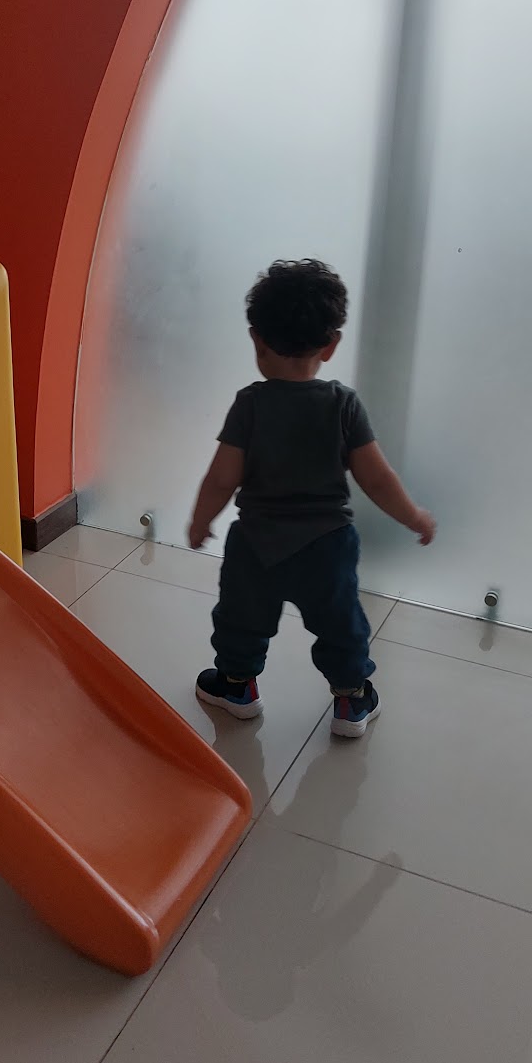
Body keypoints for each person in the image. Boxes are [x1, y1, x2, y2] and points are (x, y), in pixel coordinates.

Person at [189, 259, 435, 738]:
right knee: (340, 622)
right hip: (327, 546)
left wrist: (201, 522)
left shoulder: (250, 404)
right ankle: (351, 699)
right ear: (331, 344)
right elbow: (377, 479)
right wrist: (414, 517)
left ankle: (237, 688)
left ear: (257, 340)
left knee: (241, 618)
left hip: (255, 545)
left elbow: (221, 478)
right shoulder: (343, 405)